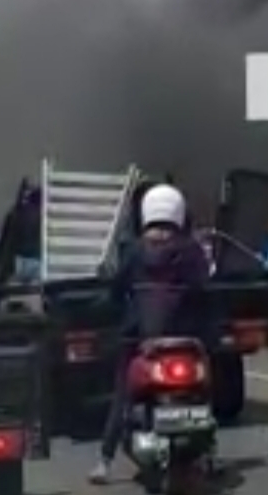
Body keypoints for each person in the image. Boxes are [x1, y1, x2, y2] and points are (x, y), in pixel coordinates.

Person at [89, 184, 211, 485]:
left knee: (122, 394)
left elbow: (116, 290)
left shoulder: (134, 250)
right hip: (185, 337)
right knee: (206, 382)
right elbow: (204, 288)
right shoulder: (191, 249)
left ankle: (105, 460)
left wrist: (107, 307)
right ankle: (209, 452)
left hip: (141, 337)